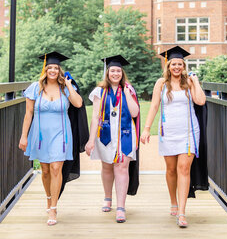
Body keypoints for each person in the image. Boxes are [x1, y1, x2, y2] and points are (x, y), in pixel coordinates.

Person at [140, 46, 207, 228]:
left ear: (184, 66)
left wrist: (196, 81)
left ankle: (183, 213)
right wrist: (146, 129)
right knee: (171, 170)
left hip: (188, 132)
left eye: (180, 64)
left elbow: (200, 101)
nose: (177, 67)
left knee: (183, 169)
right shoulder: (161, 83)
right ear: (168, 66)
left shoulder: (189, 83)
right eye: (173, 64)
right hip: (168, 132)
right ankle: (173, 202)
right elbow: (154, 106)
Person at [19, 51, 87, 226]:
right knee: (46, 170)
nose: (53, 70)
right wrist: (24, 136)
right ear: (45, 69)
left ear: (59, 70)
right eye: (50, 67)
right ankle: (49, 198)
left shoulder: (65, 88)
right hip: (40, 134)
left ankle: (54, 208)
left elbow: (78, 103)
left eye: (56, 68)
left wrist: (70, 85)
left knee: (56, 168)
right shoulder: (35, 88)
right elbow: (28, 114)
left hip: (61, 134)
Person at [85, 55, 140, 223]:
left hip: (125, 134)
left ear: (122, 73)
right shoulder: (99, 91)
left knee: (122, 167)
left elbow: (135, 113)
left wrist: (126, 93)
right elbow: (95, 117)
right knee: (107, 167)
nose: (115, 73)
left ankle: (121, 207)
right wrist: (90, 140)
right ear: (107, 73)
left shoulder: (129, 90)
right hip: (106, 135)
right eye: (112, 71)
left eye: (118, 71)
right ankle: (108, 197)